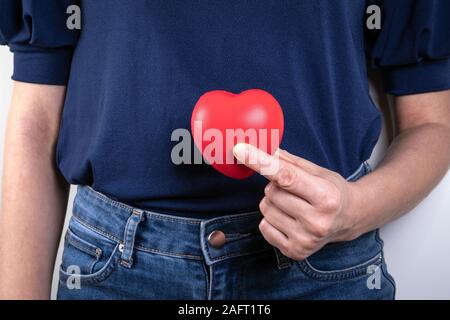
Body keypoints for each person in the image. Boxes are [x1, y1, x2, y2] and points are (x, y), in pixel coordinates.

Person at [0, 0, 449, 300]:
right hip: (115, 270)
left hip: (321, 268)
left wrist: (353, 209)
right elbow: (35, 126)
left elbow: (433, 123)